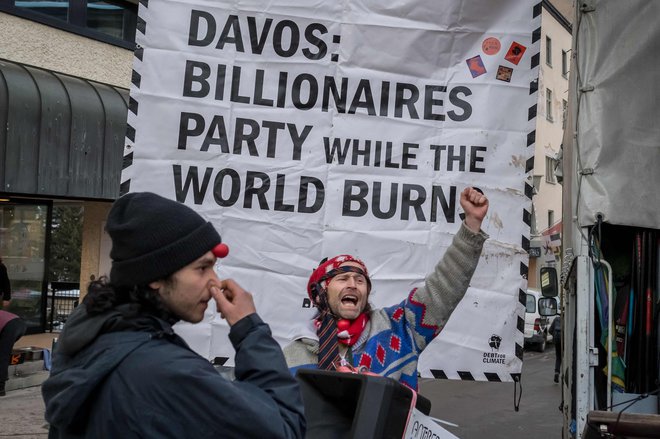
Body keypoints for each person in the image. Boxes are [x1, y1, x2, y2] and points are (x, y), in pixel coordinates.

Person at [42, 192, 306, 439]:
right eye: (202, 268)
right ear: (156, 276)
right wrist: (249, 329)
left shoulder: (95, 332)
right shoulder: (169, 371)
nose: (215, 283)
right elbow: (284, 427)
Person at [284, 187, 489, 389]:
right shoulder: (293, 355)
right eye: (343, 278)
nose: (353, 285)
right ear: (321, 294)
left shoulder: (400, 328)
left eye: (360, 280)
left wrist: (472, 224)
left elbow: (445, 286)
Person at [0, 310, 26, 396]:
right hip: (19, 324)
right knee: (4, 353)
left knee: (2, 356)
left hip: (10, 326)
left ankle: (1, 387)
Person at [550, 314, 562, 383]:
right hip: (565, 342)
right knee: (567, 358)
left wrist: (555, 336)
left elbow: (550, 330)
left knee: (558, 357)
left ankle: (557, 373)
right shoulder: (568, 318)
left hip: (557, 341)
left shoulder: (556, 319)